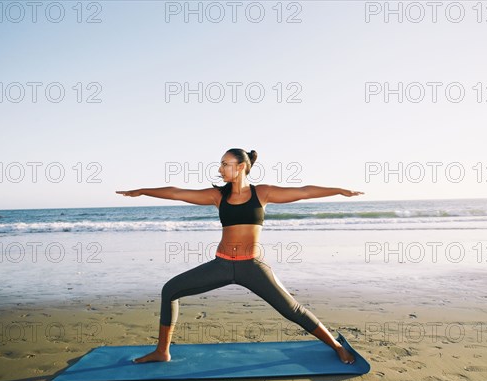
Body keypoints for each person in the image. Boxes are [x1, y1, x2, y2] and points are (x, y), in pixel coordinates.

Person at [116, 148, 364, 364]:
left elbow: (304, 192)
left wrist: (339, 191)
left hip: (251, 268)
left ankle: (337, 346)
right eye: (221, 164)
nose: (220, 168)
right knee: (170, 290)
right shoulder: (218, 196)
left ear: (242, 166)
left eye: (226, 164)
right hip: (222, 265)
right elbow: (176, 192)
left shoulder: (262, 193)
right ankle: (162, 351)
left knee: (292, 310)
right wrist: (142, 191)